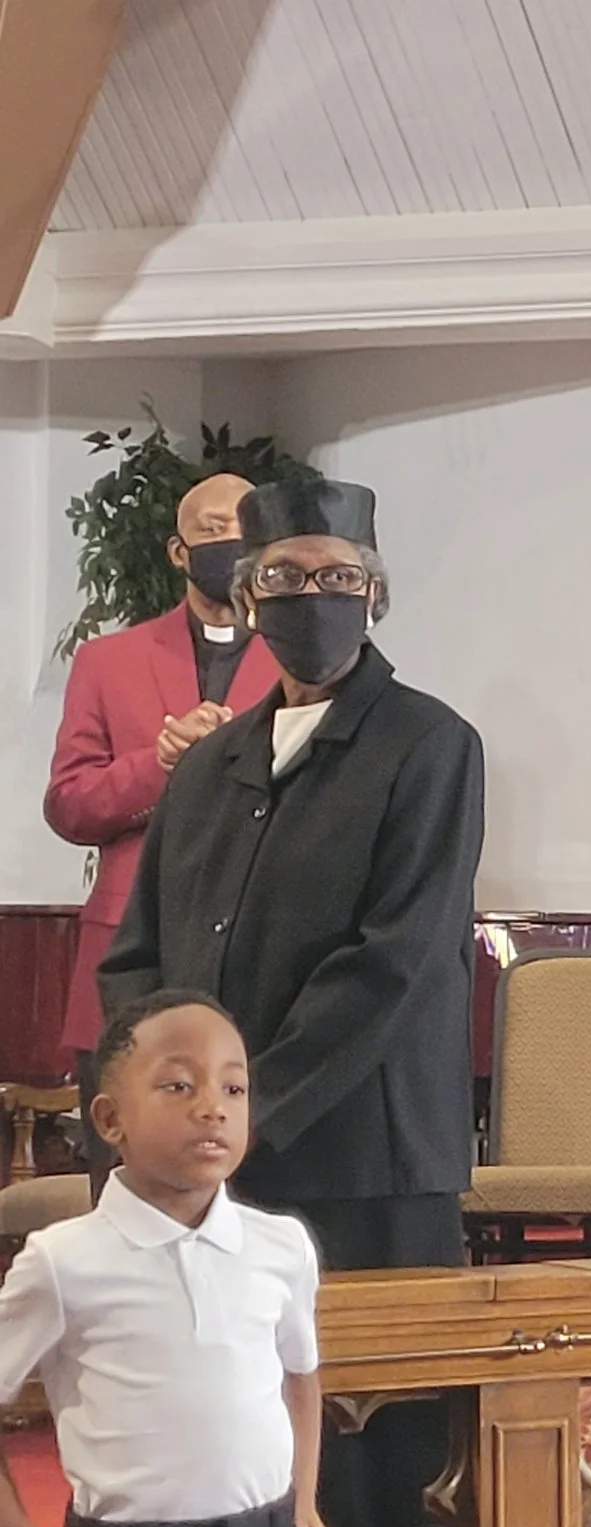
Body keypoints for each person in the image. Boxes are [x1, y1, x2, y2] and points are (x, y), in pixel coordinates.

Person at [98, 476, 484, 1527]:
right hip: (214, 1167)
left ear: (375, 593)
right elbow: (142, 953)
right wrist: (159, 1103)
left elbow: (392, 959)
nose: (311, 597)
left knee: (371, 1455)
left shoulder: (430, 745)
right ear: (248, 595)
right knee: (224, 1420)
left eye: (336, 577)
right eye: (284, 577)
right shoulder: (210, 765)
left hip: (364, 1154)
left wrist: (238, 1110)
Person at [0, 989, 329, 1527]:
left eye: (234, 1087)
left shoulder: (280, 1246)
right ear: (110, 1117)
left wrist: (302, 1506)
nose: (213, 1106)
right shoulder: (64, 1261)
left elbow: (301, 1375)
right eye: (179, 1085)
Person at [45, 471, 282, 1160]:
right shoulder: (108, 661)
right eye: (214, 530)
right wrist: (160, 763)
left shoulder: (302, 664)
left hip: (256, 947)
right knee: (123, 1177)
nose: (232, 543)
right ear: (179, 552)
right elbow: (69, 804)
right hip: (132, 950)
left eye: (248, 531)